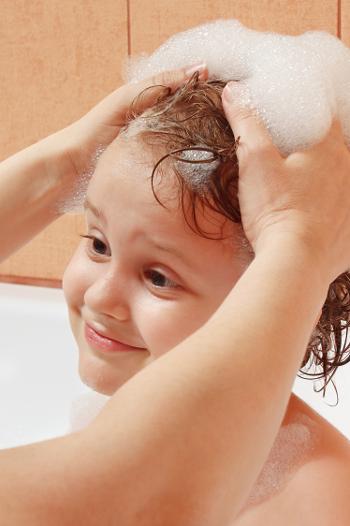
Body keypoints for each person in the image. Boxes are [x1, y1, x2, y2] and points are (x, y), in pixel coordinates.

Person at [0, 63, 349, 525]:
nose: (101, 298)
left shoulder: (315, 495)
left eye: (159, 277)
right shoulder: (123, 425)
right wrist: (301, 243)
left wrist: (64, 164)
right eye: (99, 244)